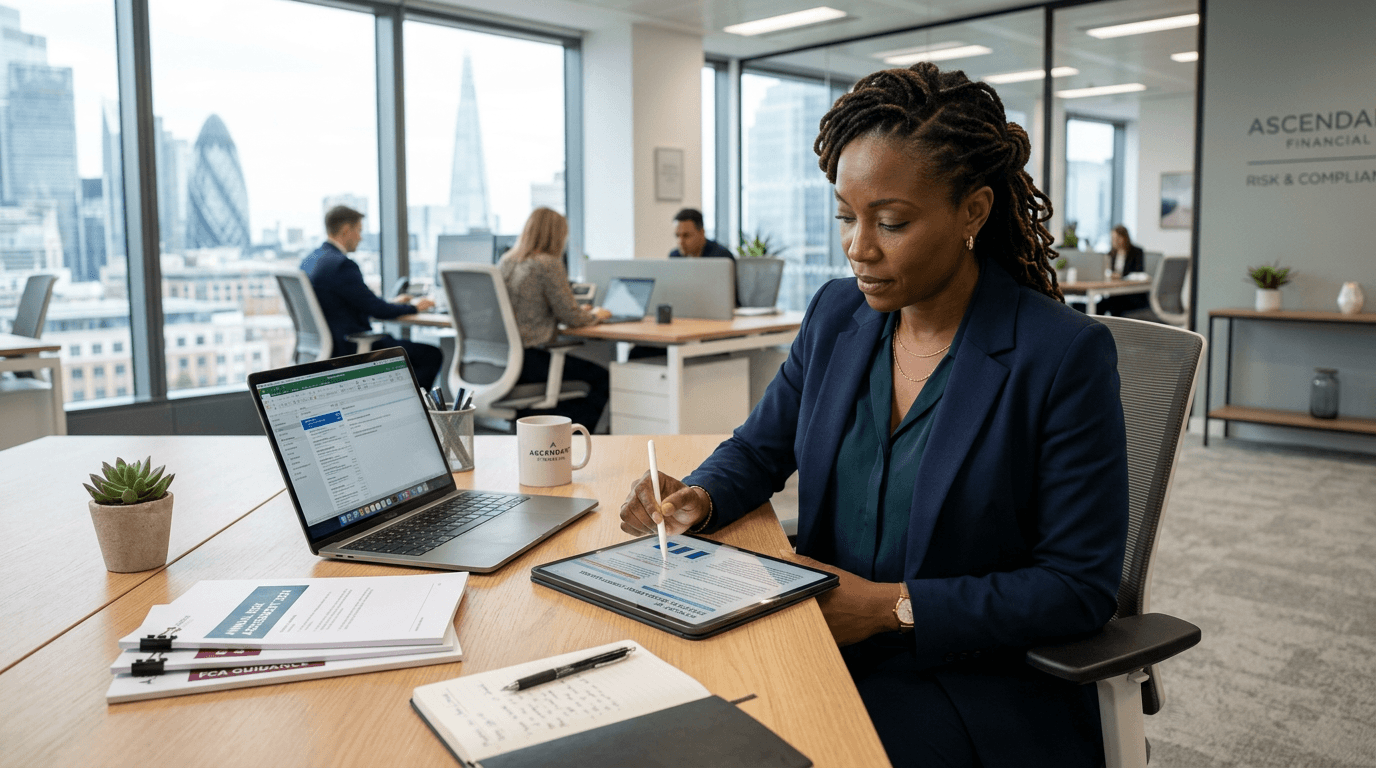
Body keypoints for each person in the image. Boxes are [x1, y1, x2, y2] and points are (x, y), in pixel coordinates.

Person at [619, 63, 1128, 768]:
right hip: (818, 639)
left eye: (891, 222)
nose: (859, 246)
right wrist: (698, 495)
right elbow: (761, 448)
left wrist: (895, 607)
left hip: (967, 677)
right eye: (846, 218)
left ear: (973, 212)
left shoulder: (1062, 355)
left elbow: (1079, 586)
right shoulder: (837, 315)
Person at [301, 205, 443, 388]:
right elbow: (377, 310)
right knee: (431, 355)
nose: (360, 238)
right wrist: (415, 307)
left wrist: (391, 303)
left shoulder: (310, 261)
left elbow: (357, 303)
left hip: (325, 346)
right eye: (359, 231)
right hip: (352, 347)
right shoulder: (342, 265)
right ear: (346, 230)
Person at [499, 207, 612, 431]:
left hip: (505, 361)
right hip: (531, 359)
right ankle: (573, 442)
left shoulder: (507, 261)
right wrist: (595, 315)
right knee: (603, 378)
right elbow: (571, 316)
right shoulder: (547, 263)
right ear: (556, 235)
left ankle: (537, 429)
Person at [1097, 224, 1149, 315]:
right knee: (1100, 305)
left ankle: (1116, 327)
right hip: (1115, 292)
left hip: (1131, 294)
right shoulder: (1111, 253)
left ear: (1124, 238)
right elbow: (1107, 270)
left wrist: (1121, 276)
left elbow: (1138, 271)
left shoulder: (1137, 252)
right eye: (1113, 238)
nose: (1114, 241)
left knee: (1114, 303)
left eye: (1116, 238)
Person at [669, 209, 734, 260]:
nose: (680, 241)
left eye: (686, 235)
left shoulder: (722, 257)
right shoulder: (674, 257)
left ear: (701, 233)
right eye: (677, 236)